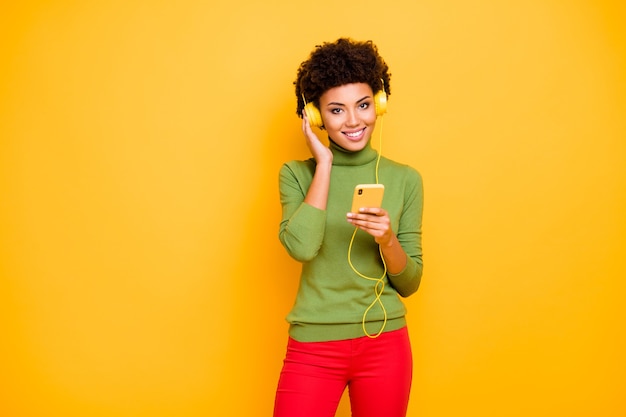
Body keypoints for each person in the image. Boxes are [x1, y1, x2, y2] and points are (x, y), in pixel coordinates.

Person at [273, 38, 424, 417]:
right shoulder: (296, 174)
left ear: (379, 104)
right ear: (316, 116)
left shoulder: (405, 180)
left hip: (384, 343)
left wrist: (387, 239)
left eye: (363, 105)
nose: (354, 121)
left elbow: (410, 283)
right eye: (337, 110)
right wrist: (323, 164)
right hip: (314, 345)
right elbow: (303, 247)